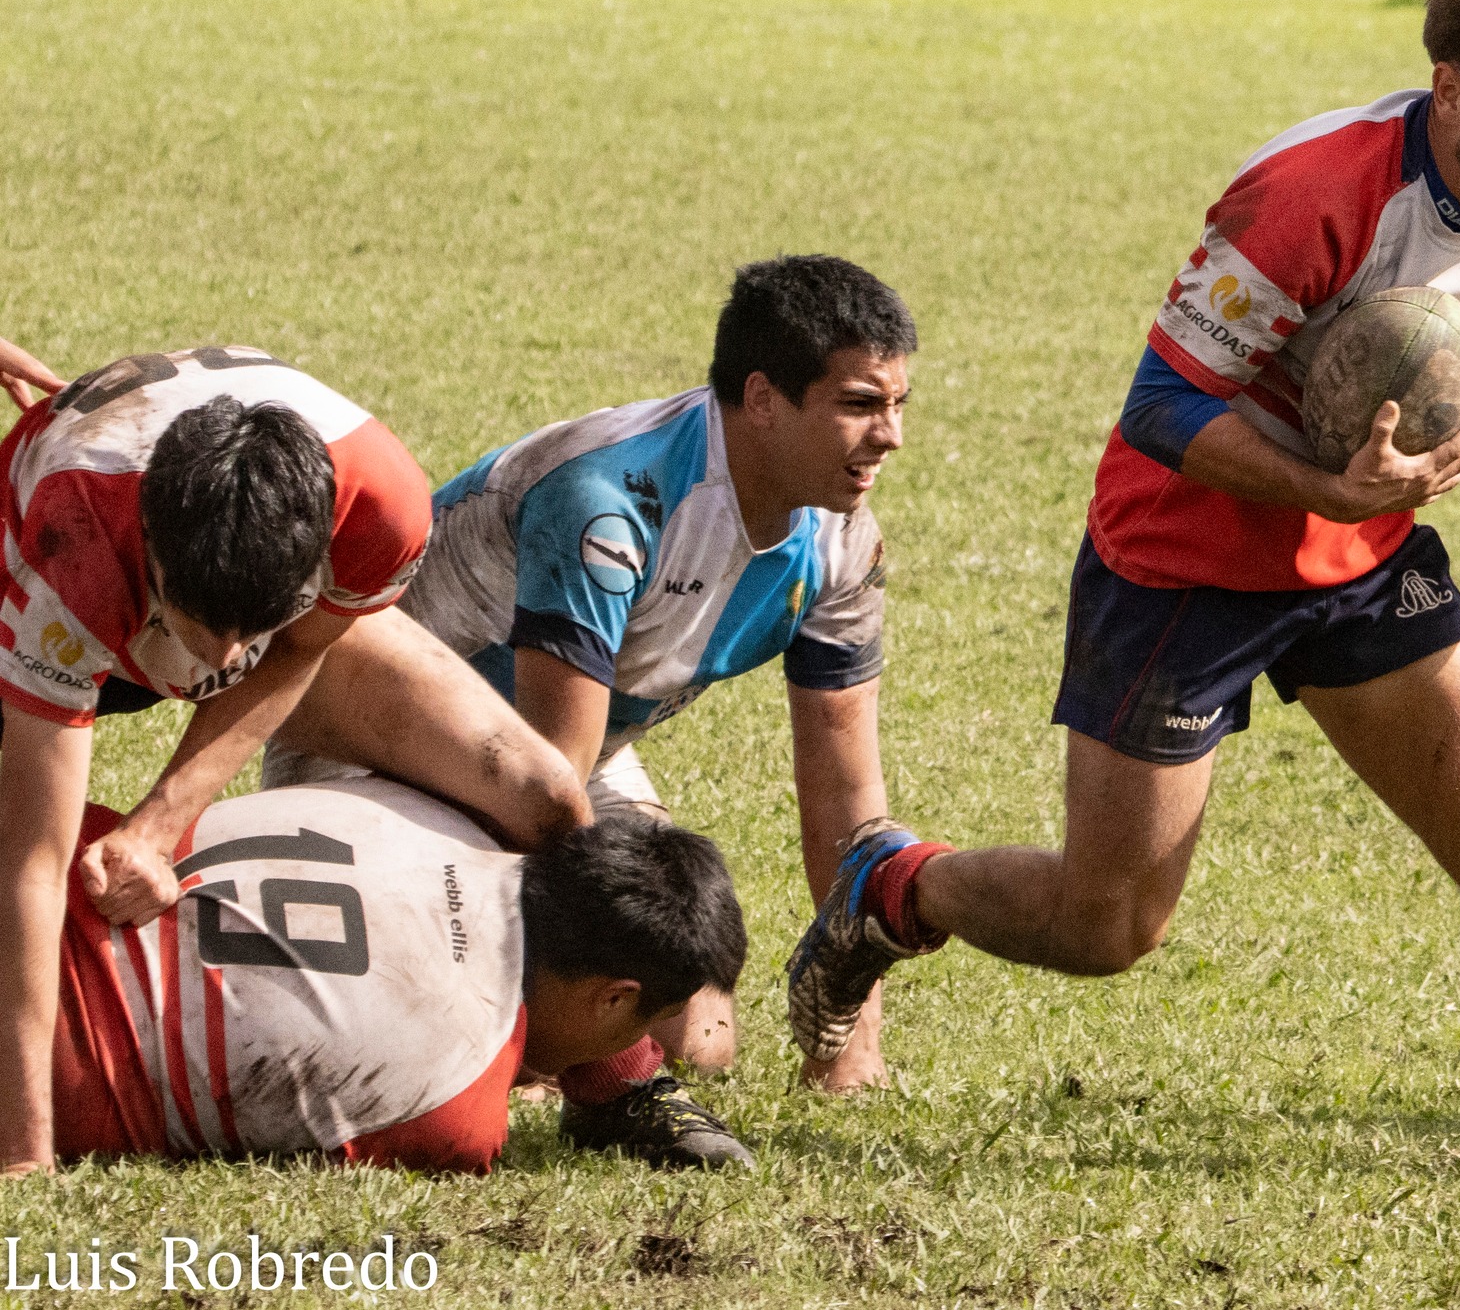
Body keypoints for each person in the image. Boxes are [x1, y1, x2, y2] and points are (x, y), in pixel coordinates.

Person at [786, 0, 1460, 1185]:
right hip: (1183, 557)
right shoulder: (1313, 195)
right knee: (1106, 922)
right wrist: (1324, 489)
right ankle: (890, 887)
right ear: (1450, 88)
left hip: (1362, 555)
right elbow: (1160, 410)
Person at [314, 254, 912, 1166]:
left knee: (701, 1034)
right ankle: (603, 1084)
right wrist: (610, 1057)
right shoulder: (610, 499)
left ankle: (558, 1040)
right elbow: (549, 785)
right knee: (567, 1016)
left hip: (556, 753)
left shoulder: (841, 544)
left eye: (898, 405)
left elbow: (847, 800)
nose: (890, 436)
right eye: (861, 405)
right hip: (375, 747)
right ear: (762, 398)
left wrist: (848, 1041)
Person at [0, 347, 591, 1177]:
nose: (225, 653)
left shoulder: (382, 505)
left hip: (237, 593)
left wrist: (158, 824)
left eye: (256, 622)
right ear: (151, 547)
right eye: (203, 622)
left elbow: (294, 651)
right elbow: (28, 864)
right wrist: (23, 1152)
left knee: (545, 795)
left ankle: (610, 1079)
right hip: (55, 585)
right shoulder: (73, 549)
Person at [53, 776, 745, 1172]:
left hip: (40, 860)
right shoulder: (460, 1112)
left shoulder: (440, 803)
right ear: (614, 997)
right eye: (641, 1028)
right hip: (39, 1053)